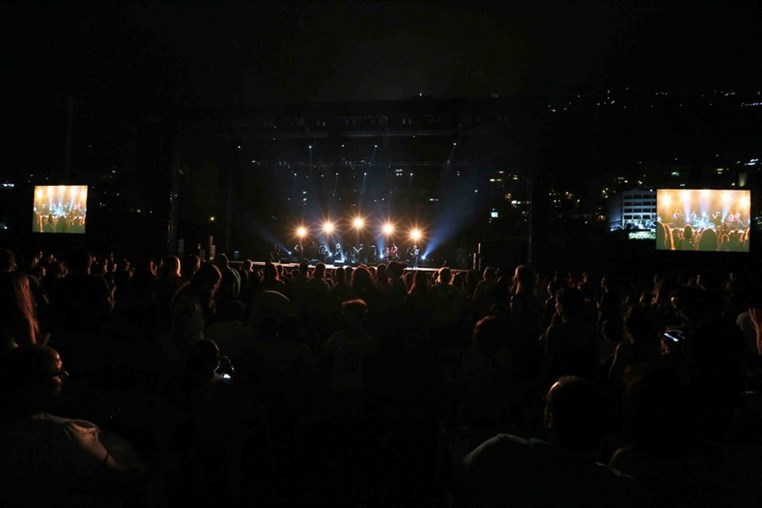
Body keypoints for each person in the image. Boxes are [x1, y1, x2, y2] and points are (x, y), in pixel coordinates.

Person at [0, 345, 145, 506]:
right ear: (34, 380)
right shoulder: (61, 434)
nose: (66, 375)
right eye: (58, 372)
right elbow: (120, 479)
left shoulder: (15, 423)